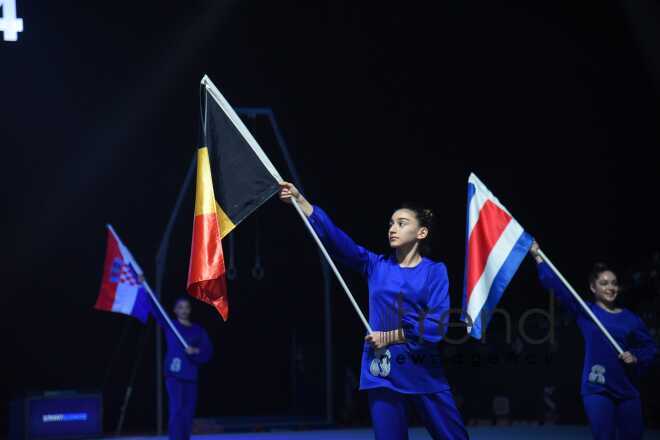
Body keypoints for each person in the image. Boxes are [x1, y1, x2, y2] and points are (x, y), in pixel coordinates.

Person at [279, 182, 468, 440]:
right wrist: (302, 202)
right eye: (391, 223)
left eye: (401, 223)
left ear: (421, 232)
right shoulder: (375, 265)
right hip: (383, 371)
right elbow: (337, 240)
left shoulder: (435, 271)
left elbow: (436, 325)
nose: (393, 228)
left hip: (423, 371)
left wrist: (389, 337)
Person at [529, 242, 657, 439]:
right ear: (593, 287)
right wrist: (538, 257)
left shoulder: (631, 319)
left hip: (627, 390)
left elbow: (651, 347)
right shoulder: (587, 312)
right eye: (604, 283)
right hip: (597, 389)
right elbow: (559, 288)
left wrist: (637, 356)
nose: (611, 287)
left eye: (614, 283)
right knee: (603, 436)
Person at [161, 297, 213, 440]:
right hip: (174, 376)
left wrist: (196, 351)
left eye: (186, 307)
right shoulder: (170, 325)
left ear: (190, 310)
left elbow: (207, 350)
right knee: (176, 409)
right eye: (180, 307)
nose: (184, 310)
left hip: (191, 375)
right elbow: (155, 309)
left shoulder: (198, 330)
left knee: (188, 412)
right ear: (175, 310)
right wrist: (142, 285)